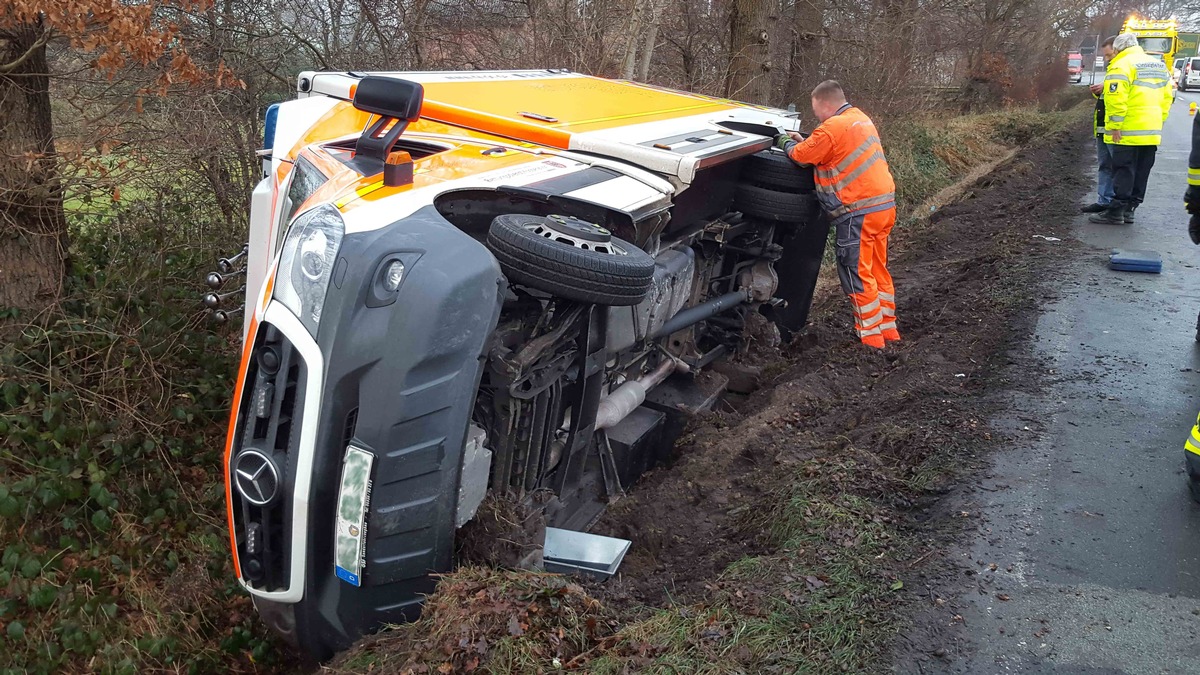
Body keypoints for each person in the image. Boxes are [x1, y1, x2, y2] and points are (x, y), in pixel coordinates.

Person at [775, 80, 898, 349]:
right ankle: (889, 330)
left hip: (858, 211)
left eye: (816, 109)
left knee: (856, 271)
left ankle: (871, 339)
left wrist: (784, 140)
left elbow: (799, 156)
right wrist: (809, 141)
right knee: (877, 268)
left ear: (825, 104)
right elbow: (832, 150)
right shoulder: (860, 119)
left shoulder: (831, 127)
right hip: (883, 206)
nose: (816, 116)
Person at [1089, 32, 1173, 225]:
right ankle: (1130, 211)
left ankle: (1116, 212)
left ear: (1118, 49)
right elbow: (1168, 97)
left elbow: (1116, 99)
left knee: (1124, 170)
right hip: (1151, 131)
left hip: (1127, 130)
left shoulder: (1121, 65)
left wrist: (1115, 126)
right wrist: (1159, 120)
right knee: (1142, 171)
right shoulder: (1158, 66)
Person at [1082, 37, 1118, 214]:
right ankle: (1104, 201)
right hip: (1104, 127)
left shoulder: (1125, 69)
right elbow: (1109, 99)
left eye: (1109, 55)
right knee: (1105, 165)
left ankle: (1117, 205)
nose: (1106, 59)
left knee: (1118, 168)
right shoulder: (1113, 70)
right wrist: (1100, 91)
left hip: (1117, 130)